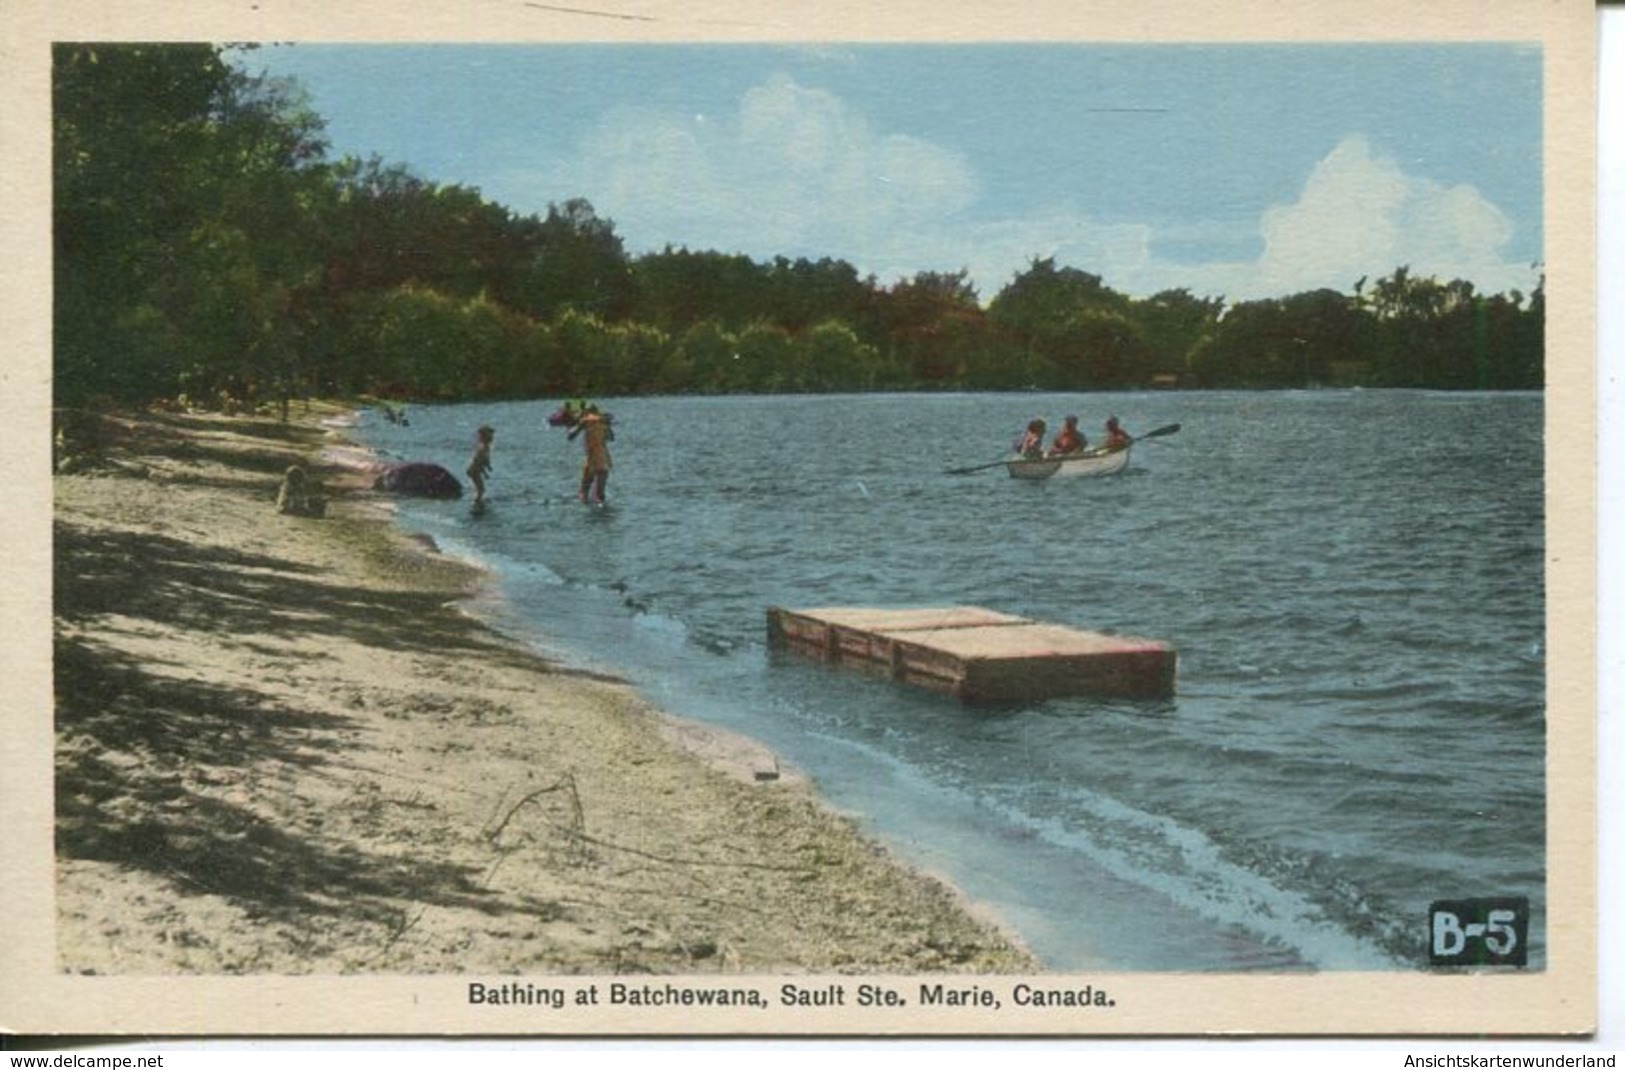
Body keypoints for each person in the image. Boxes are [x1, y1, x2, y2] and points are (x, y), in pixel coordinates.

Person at [568, 406, 614, 505]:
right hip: (602, 459)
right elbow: (611, 438)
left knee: (584, 489)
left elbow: (571, 436)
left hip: (592, 459)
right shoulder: (602, 423)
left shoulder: (586, 422)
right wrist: (607, 425)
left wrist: (577, 425)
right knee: (600, 493)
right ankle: (600, 503)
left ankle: (585, 503)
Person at [466, 425, 495, 506]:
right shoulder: (483, 447)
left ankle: (478, 501)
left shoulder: (484, 447)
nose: (493, 438)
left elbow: (483, 461)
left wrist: (487, 468)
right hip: (474, 470)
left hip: (475, 469)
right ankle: (477, 503)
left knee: (480, 489)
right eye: (491, 436)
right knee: (481, 490)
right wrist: (485, 472)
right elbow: (479, 462)